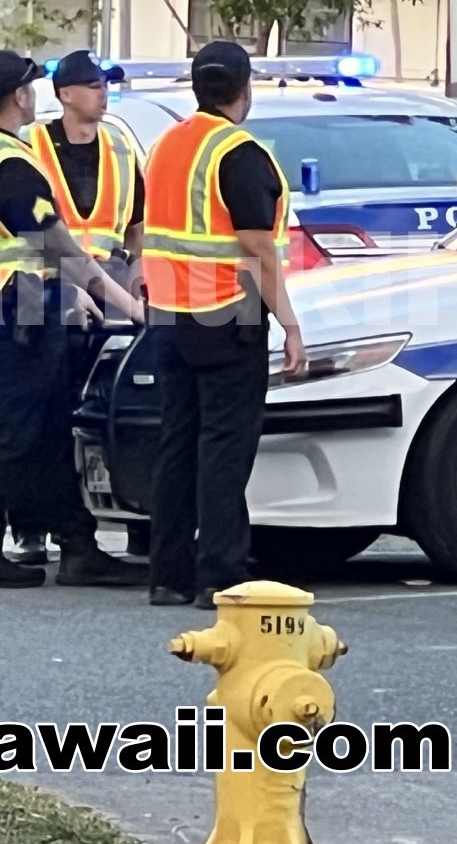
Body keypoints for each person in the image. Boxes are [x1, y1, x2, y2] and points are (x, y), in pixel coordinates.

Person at [0, 49, 152, 589]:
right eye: (30, 86)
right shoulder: (11, 164)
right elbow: (60, 248)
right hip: (20, 307)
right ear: (20, 96)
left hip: (10, 301)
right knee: (15, 434)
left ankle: (76, 544)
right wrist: (129, 305)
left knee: (43, 431)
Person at [145, 42, 308, 608]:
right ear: (245, 89)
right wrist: (290, 325)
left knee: (178, 443)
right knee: (224, 448)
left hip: (168, 315)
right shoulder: (239, 153)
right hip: (227, 315)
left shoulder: (165, 146)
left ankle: (167, 574)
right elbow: (259, 247)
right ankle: (219, 573)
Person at [7, 49, 146, 567]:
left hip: (109, 294)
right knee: (41, 420)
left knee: (97, 419)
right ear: (65, 94)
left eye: (106, 84)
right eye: (92, 85)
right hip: (48, 293)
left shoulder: (120, 149)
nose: (102, 93)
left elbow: (136, 223)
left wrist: (137, 270)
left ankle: (97, 529)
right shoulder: (31, 146)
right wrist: (72, 286)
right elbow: (28, 231)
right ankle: (30, 529)